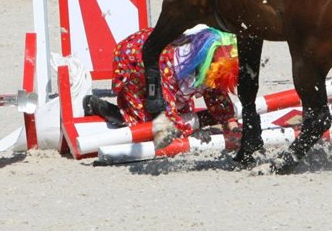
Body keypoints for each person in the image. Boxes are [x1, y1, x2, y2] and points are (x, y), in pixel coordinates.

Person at [84, 27, 240, 149]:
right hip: (135, 60)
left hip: (164, 70)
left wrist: (230, 124)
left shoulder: (208, 64)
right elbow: (168, 112)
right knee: (149, 128)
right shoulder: (170, 69)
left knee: (184, 114)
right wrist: (191, 133)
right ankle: (103, 108)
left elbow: (216, 92)